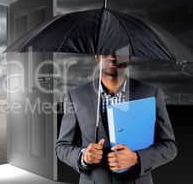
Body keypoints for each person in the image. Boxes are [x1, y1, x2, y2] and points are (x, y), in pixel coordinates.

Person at [55, 54, 177, 184]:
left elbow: (169, 147)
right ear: (97, 56)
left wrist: (137, 158)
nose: (113, 57)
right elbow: (62, 146)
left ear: (129, 56)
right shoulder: (76, 96)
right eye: (105, 51)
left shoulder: (151, 94)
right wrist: (83, 156)